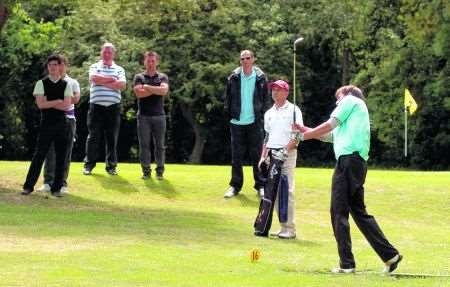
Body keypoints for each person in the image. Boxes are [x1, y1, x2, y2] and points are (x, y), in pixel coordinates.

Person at [298, 85, 402, 274]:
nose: (336, 101)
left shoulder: (350, 100)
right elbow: (330, 136)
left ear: (346, 94)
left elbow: (330, 124)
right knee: (360, 214)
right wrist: (306, 130)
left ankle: (347, 264)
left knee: (338, 211)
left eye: (338, 97)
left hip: (347, 162)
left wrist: (302, 136)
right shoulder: (354, 114)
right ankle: (390, 255)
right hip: (357, 164)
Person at [21, 54, 73, 198]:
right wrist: (57, 101)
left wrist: (50, 102)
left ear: (59, 66)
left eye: (55, 65)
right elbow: (40, 104)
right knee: (39, 155)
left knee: (61, 156)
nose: (52, 68)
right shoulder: (41, 83)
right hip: (46, 124)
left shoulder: (66, 84)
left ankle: (56, 188)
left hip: (61, 124)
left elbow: (67, 105)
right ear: (48, 67)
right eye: (50, 65)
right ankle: (28, 186)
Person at [257, 80, 303, 239]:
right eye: (273, 89)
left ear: (286, 92)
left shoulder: (294, 110)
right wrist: (263, 156)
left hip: (288, 154)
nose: (274, 92)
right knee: (273, 191)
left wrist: (285, 151)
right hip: (271, 154)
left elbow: (297, 135)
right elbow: (267, 137)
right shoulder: (269, 113)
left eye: (278, 89)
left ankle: (290, 229)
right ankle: (283, 226)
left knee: (287, 190)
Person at [223, 50, 271, 199]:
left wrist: (264, 119)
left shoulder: (261, 78)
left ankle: (261, 185)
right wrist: (229, 115)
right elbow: (228, 98)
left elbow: (266, 100)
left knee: (257, 156)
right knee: (236, 156)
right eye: (242, 58)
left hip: (255, 122)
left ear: (253, 59)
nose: (245, 60)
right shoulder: (233, 77)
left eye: (248, 58)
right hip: (236, 122)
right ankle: (235, 186)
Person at [37, 55, 80, 194]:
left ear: (65, 66)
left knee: (65, 152)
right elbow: (43, 101)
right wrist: (61, 99)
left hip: (68, 119)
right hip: (51, 119)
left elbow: (75, 99)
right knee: (49, 151)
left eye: (61, 64)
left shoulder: (72, 82)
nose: (58, 67)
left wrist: (54, 99)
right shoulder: (48, 82)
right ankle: (48, 182)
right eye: (56, 64)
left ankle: (62, 183)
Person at [83, 42, 126, 175]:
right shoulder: (94, 66)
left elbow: (122, 85)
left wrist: (103, 81)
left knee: (112, 138)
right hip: (96, 107)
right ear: (101, 53)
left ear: (114, 54)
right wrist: (112, 80)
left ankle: (111, 167)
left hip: (113, 108)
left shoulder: (119, 69)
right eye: (105, 52)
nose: (107, 54)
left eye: (109, 52)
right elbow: (93, 78)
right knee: (93, 136)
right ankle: (89, 165)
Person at [133, 51, 169, 180]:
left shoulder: (163, 77)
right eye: (148, 61)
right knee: (144, 145)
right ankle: (146, 171)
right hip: (143, 116)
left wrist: (147, 86)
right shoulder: (138, 77)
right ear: (144, 62)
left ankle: (160, 171)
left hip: (159, 116)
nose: (150, 63)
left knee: (160, 145)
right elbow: (139, 94)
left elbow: (164, 91)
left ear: (157, 62)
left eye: (153, 61)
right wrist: (156, 90)